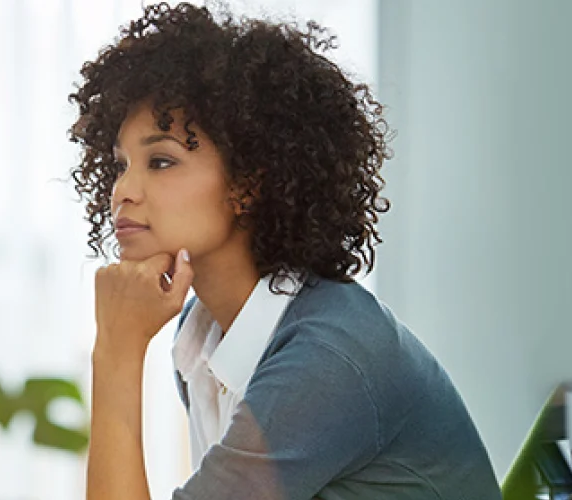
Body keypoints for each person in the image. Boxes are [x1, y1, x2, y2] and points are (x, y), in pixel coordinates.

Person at [68, 3, 503, 499]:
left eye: (161, 161)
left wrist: (116, 352)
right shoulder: (202, 338)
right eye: (121, 163)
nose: (123, 189)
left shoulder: (327, 357)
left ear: (248, 183)